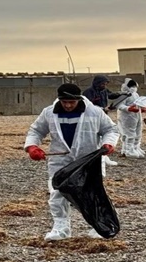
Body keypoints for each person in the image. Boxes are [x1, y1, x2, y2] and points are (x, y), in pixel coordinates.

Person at [24, 83, 119, 241]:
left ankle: (98, 225)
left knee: (91, 194)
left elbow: (111, 129)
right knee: (57, 192)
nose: (68, 105)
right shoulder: (49, 113)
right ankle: (61, 227)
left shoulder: (95, 112)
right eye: (64, 102)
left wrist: (108, 144)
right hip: (60, 161)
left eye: (71, 102)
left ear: (78, 99)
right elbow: (36, 130)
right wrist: (32, 147)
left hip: (88, 161)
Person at [83, 74, 118, 167]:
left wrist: (122, 94)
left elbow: (111, 95)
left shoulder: (104, 91)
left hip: (103, 115)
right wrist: (102, 109)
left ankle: (104, 157)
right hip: (92, 119)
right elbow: (87, 107)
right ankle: (96, 158)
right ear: (97, 83)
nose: (104, 86)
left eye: (106, 84)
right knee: (95, 137)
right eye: (103, 84)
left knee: (104, 135)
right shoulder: (88, 92)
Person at [114, 78, 146, 158]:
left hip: (136, 116)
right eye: (131, 86)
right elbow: (119, 105)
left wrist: (141, 109)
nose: (134, 88)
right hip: (127, 117)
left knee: (138, 133)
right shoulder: (124, 95)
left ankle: (135, 148)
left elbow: (138, 104)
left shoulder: (136, 94)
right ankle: (128, 150)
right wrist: (128, 108)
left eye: (134, 86)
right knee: (129, 134)